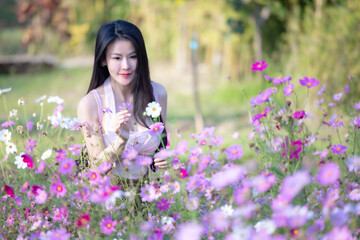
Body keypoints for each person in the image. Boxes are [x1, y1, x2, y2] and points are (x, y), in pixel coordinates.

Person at [77, 20, 168, 186]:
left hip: (147, 197)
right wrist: (120, 141)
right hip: (108, 198)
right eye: (117, 58)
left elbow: (163, 143)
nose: (126, 66)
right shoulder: (90, 104)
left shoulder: (157, 93)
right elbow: (96, 170)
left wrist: (163, 157)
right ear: (103, 60)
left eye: (133, 57)